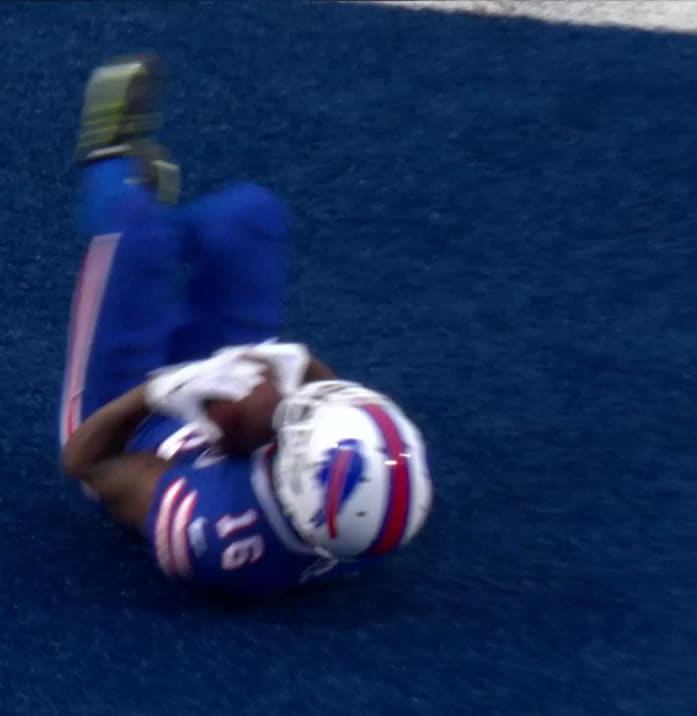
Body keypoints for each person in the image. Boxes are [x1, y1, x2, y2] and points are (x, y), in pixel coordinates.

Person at [57, 55, 433, 597]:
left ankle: (110, 163)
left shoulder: (217, 530)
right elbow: (324, 397)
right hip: (219, 404)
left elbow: (86, 465)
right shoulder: (366, 518)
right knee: (250, 217)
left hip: (122, 425)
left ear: (287, 479)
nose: (306, 405)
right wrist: (295, 365)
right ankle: (165, 228)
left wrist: (159, 391)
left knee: (136, 234)